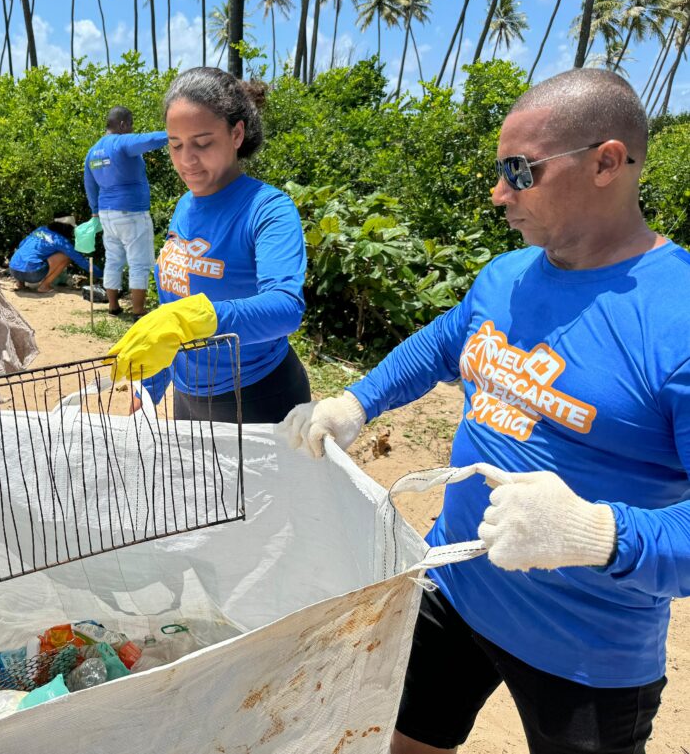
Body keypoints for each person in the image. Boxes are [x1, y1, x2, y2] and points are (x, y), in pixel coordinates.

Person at [281, 69, 688, 754]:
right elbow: (444, 343)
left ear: (606, 163)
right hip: (455, 585)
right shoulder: (506, 276)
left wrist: (596, 533)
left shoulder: (677, 319)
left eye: (520, 170)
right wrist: (356, 401)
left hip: (586, 648)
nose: (500, 193)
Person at [108, 68, 310, 423]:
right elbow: (175, 302)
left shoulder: (268, 209)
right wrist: (150, 385)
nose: (187, 160)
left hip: (257, 396)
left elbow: (285, 307)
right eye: (175, 145)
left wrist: (198, 319)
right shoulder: (186, 205)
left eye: (202, 143)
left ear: (236, 134)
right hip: (188, 397)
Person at [84, 106, 168, 318]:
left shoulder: (92, 152)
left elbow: (90, 185)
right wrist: (178, 133)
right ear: (122, 124)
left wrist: (95, 212)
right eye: (131, 125)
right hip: (132, 212)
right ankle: (139, 311)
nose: (132, 130)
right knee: (139, 262)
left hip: (106, 213)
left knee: (113, 260)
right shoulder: (121, 142)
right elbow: (149, 140)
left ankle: (113, 306)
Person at [8, 218, 103, 292]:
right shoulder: (61, 241)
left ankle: (20, 284)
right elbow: (80, 260)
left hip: (13, 270)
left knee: (25, 253)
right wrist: (101, 274)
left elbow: (21, 244)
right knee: (66, 256)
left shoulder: (40, 229)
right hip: (32, 274)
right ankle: (44, 286)